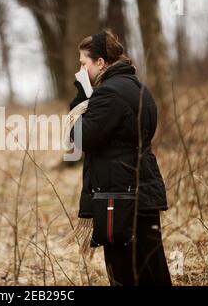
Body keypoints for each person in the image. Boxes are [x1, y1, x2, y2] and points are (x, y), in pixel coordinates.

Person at [69, 30, 172, 286]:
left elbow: (79, 138)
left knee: (124, 273)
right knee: (152, 270)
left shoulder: (109, 94)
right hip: (143, 191)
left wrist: (82, 97)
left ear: (101, 62)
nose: (80, 70)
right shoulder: (139, 88)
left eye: (84, 63)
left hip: (120, 197)